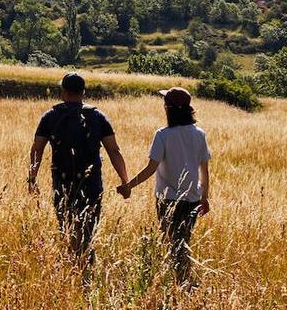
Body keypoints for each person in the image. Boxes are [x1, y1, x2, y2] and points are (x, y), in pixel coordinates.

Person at [27, 73, 129, 269]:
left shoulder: (50, 116)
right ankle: (86, 267)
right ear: (83, 92)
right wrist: (125, 181)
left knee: (66, 227)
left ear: (63, 92)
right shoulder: (98, 117)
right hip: (91, 184)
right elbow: (114, 150)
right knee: (88, 228)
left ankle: (72, 267)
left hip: (61, 182)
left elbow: (37, 148)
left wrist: (32, 179)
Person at [119, 87, 212, 284]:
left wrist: (129, 186)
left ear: (168, 108)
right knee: (183, 240)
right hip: (192, 198)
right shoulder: (199, 134)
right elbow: (204, 170)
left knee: (172, 241)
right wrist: (204, 197)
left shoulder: (162, 135)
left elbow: (151, 168)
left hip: (168, 199)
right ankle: (183, 279)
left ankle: (181, 281)